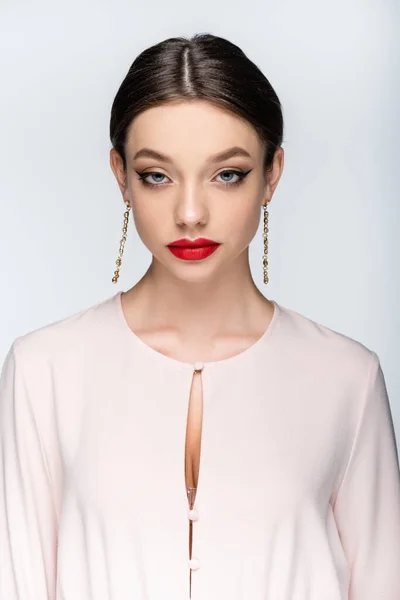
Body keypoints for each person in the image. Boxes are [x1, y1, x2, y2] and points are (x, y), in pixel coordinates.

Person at [0, 33, 399, 600]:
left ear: (272, 174)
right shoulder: (43, 372)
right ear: (121, 176)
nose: (190, 212)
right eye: (156, 175)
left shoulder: (347, 379)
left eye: (227, 173)